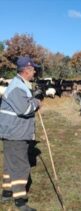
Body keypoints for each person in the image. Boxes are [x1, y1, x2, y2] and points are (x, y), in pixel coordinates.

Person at [0, 56, 41, 211]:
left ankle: (7, 192)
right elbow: (24, 109)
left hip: (11, 131)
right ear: (26, 70)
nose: (35, 71)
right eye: (33, 69)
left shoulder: (19, 84)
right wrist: (36, 103)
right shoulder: (17, 86)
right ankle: (20, 201)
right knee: (21, 166)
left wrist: (32, 98)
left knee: (11, 163)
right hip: (15, 133)